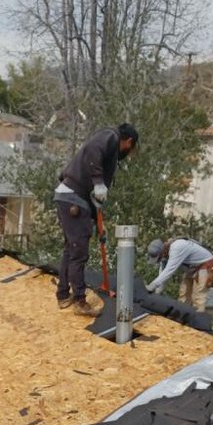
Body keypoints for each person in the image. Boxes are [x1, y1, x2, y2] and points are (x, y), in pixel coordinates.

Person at [54, 123, 139, 316]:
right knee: (79, 252)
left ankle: (63, 294)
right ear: (129, 141)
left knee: (71, 249)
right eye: (130, 148)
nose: (127, 152)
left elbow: (91, 195)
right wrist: (99, 182)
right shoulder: (111, 137)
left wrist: (96, 220)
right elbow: (93, 150)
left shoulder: (108, 142)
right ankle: (79, 301)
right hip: (73, 198)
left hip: (72, 198)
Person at [145, 237, 213, 311]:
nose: (159, 260)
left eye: (158, 258)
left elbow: (169, 271)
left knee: (198, 298)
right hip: (193, 269)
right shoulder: (165, 255)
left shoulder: (177, 247)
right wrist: (157, 292)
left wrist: (151, 286)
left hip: (205, 267)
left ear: (162, 252)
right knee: (183, 294)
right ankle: (183, 318)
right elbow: (162, 273)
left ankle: (198, 324)